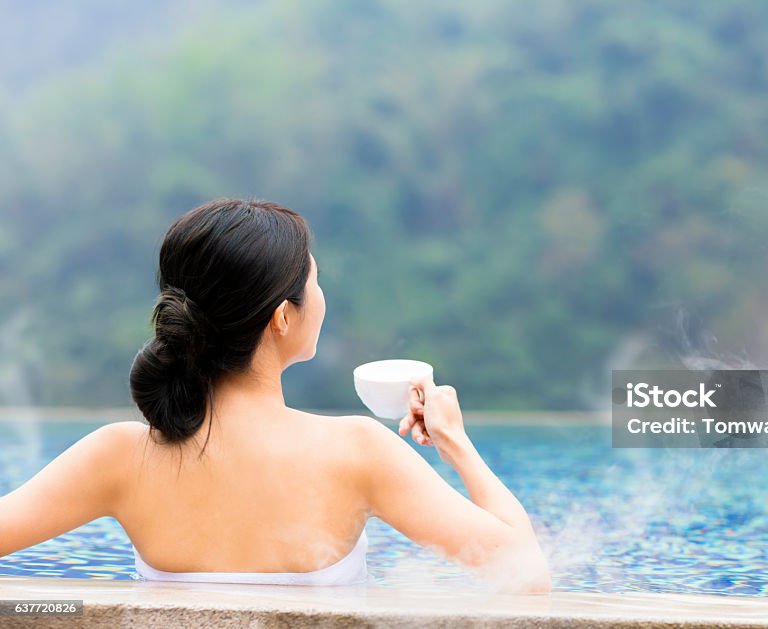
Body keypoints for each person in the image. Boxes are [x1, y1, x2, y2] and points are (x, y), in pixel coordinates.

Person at [0, 197, 551, 594]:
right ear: (283, 317)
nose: (321, 297)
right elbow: (526, 575)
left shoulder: (120, 455)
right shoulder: (357, 450)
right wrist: (454, 441)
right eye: (314, 283)